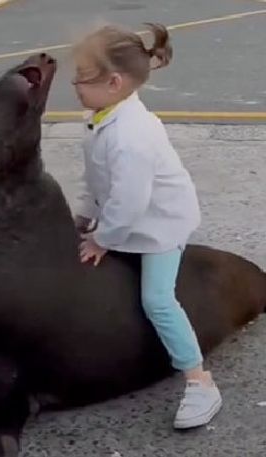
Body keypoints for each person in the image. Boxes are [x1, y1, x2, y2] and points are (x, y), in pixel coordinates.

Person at [71, 22, 222, 429]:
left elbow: (129, 204)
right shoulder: (101, 117)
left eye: (81, 78)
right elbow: (97, 182)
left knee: (157, 299)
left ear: (114, 82)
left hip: (159, 226)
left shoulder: (131, 136)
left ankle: (199, 379)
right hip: (127, 218)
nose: (74, 86)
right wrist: (81, 216)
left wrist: (101, 238)